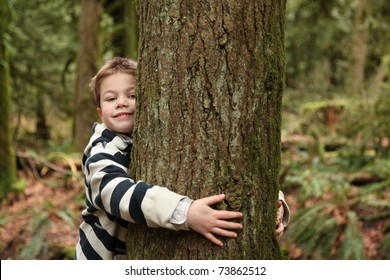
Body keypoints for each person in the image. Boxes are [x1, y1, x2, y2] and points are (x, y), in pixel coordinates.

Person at [75, 57, 290, 260]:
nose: (122, 103)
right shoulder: (101, 150)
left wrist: (274, 206)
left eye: (133, 95)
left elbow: (247, 164)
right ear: (100, 112)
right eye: (112, 98)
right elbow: (115, 192)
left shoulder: (151, 137)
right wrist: (184, 212)